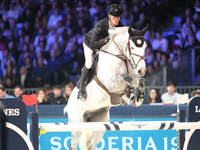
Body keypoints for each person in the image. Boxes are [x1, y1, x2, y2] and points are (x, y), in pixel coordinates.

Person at [77, 4, 124, 101]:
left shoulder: (120, 26)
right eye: (114, 17)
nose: (117, 19)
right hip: (90, 44)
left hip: (104, 47)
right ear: (109, 16)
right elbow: (93, 44)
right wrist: (106, 40)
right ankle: (81, 88)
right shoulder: (101, 25)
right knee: (89, 63)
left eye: (118, 17)